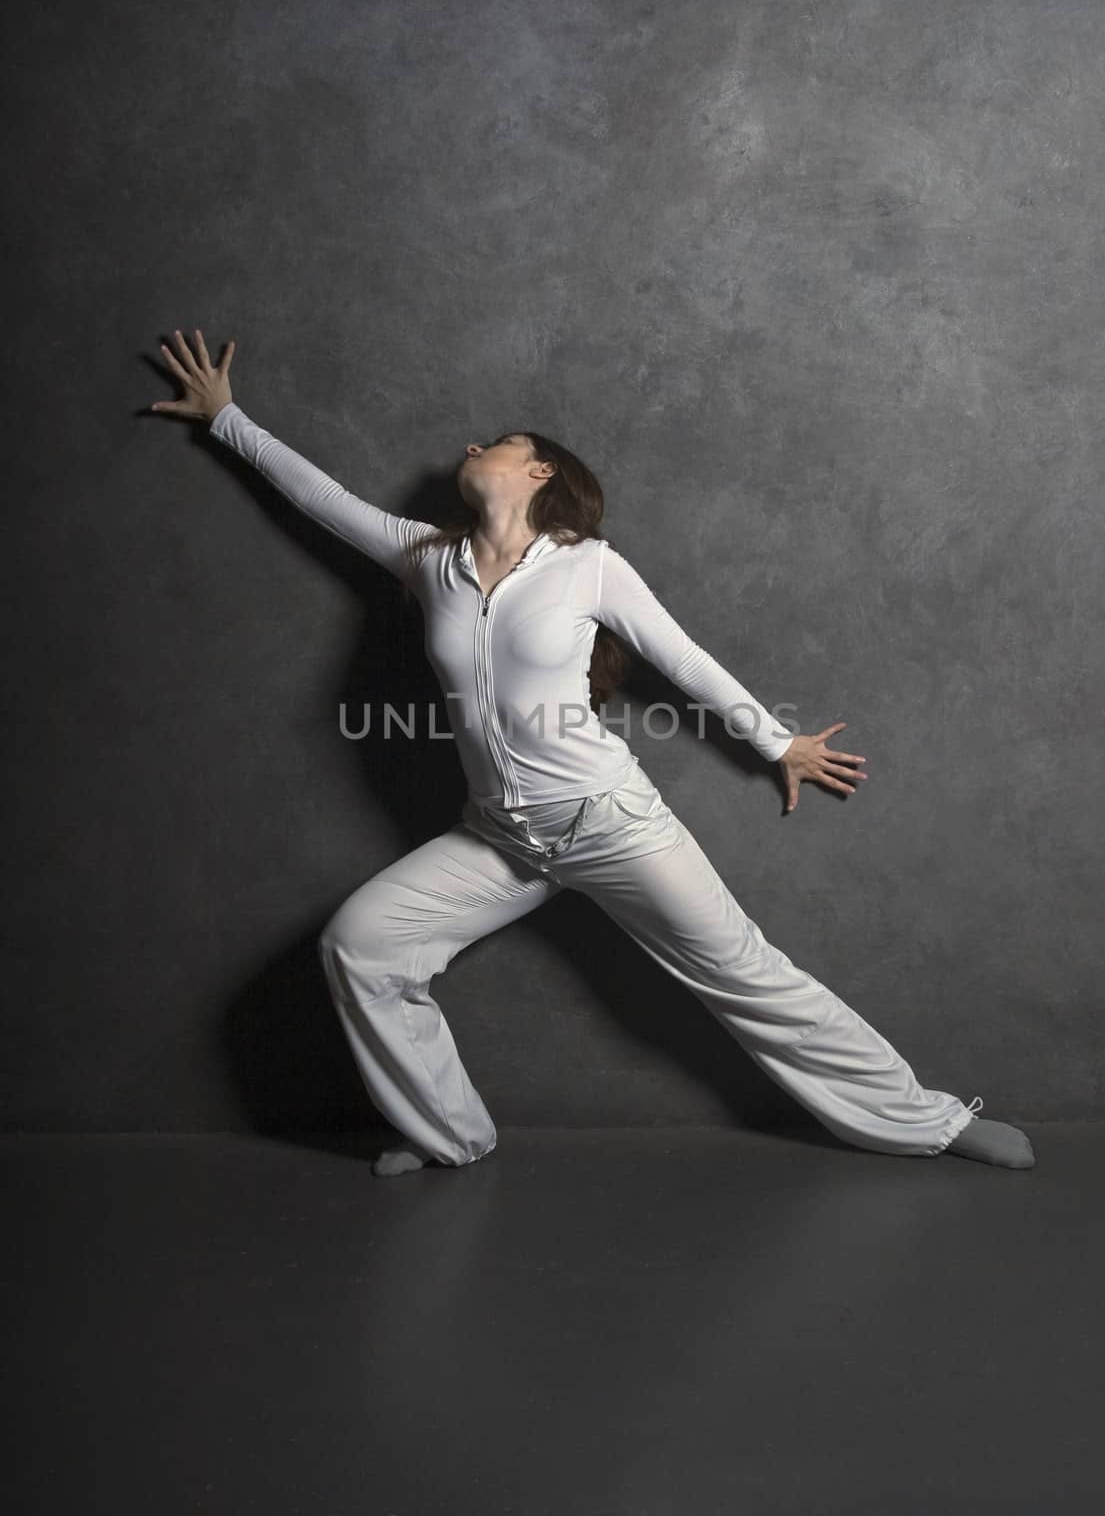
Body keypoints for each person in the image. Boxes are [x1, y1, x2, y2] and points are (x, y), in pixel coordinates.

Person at [151, 328, 1035, 1175]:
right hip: (498, 838)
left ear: (538, 471)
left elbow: (679, 657)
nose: (471, 444)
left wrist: (776, 742)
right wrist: (228, 417)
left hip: (609, 822)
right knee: (361, 946)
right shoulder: (428, 559)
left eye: (494, 441)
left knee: (748, 974)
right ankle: (447, 1134)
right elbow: (321, 499)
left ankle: (932, 1120)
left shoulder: (587, 566)